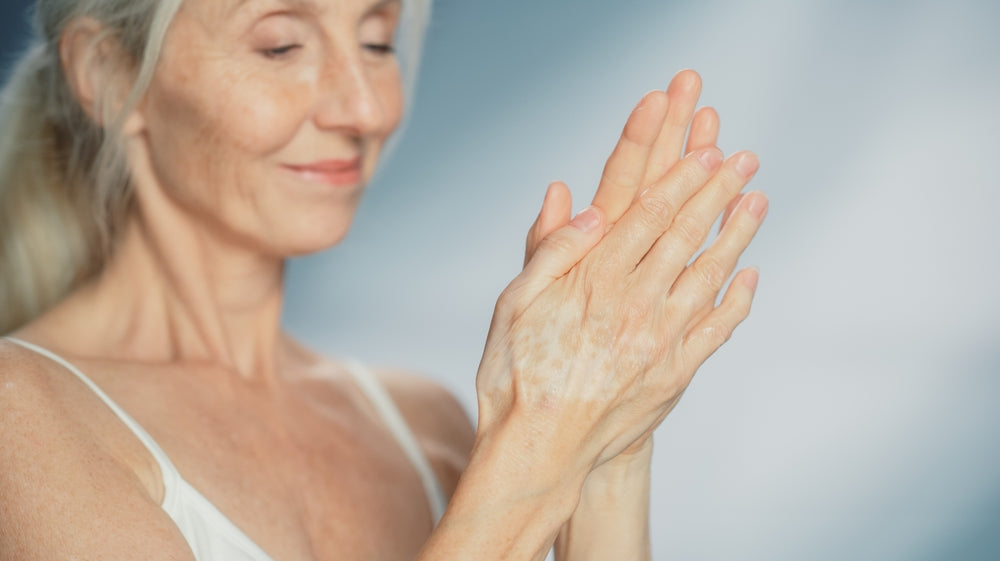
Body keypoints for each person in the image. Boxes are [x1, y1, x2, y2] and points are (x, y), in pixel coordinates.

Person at [0, 0, 767, 559]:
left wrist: (608, 442)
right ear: (106, 71)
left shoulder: (428, 426)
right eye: (280, 46)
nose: (365, 107)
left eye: (376, 40)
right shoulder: (21, 419)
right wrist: (539, 445)